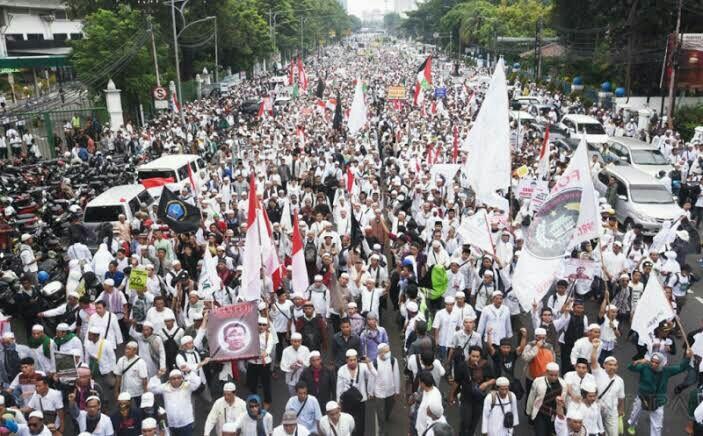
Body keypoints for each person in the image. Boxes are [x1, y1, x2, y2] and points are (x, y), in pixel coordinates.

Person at [627, 349, 692, 436]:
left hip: (658, 401)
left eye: (657, 362)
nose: (653, 364)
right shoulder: (644, 367)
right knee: (635, 415)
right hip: (643, 397)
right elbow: (630, 367)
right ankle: (632, 426)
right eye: (652, 361)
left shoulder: (666, 371)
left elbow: (681, 368)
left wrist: (687, 358)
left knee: (657, 426)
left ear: (661, 363)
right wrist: (639, 361)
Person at [450, 345, 495, 436]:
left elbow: (493, 379)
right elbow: (456, 382)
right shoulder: (462, 366)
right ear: (469, 355)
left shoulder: (485, 365)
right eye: (473, 356)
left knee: (474, 422)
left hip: (479, 398)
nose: (475, 358)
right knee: (465, 421)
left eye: (477, 356)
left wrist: (486, 384)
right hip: (466, 398)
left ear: (480, 356)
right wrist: (451, 396)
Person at [148, 368, 201, 435]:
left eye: (179, 378)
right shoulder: (165, 387)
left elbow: (197, 382)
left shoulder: (187, 386)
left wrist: (189, 371)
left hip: (186, 423)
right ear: (169, 380)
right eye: (173, 378)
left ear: (182, 378)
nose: (176, 380)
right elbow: (150, 389)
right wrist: (158, 376)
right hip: (171, 424)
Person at [336, 349, 375, 436]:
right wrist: (338, 402)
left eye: (355, 360)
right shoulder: (342, 370)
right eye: (350, 360)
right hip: (347, 401)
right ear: (346, 360)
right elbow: (339, 387)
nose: (353, 362)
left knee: (360, 424)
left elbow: (373, 375)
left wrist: (369, 363)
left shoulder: (363, 367)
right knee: (347, 423)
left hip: (360, 400)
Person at [526, 362, 566, 436]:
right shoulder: (537, 381)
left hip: (554, 414)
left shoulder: (563, 384)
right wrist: (529, 412)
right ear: (546, 372)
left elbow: (564, 401)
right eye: (551, 375)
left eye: (556, 375)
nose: (553, 377)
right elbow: (531, 397)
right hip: (540, 413)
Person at [369, 342, 400, 435]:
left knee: (389, 406)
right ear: (380, 353)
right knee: (380, 412)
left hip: (390, 390)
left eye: (388, 351)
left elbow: (396, 375)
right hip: (379, 391)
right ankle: (382, 430)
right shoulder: (374, 363)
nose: (388, 353)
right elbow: (371, 378)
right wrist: (370, 392)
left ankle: (386, 415)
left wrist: (397, 390)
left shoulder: (393, 360)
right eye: (386, 351)